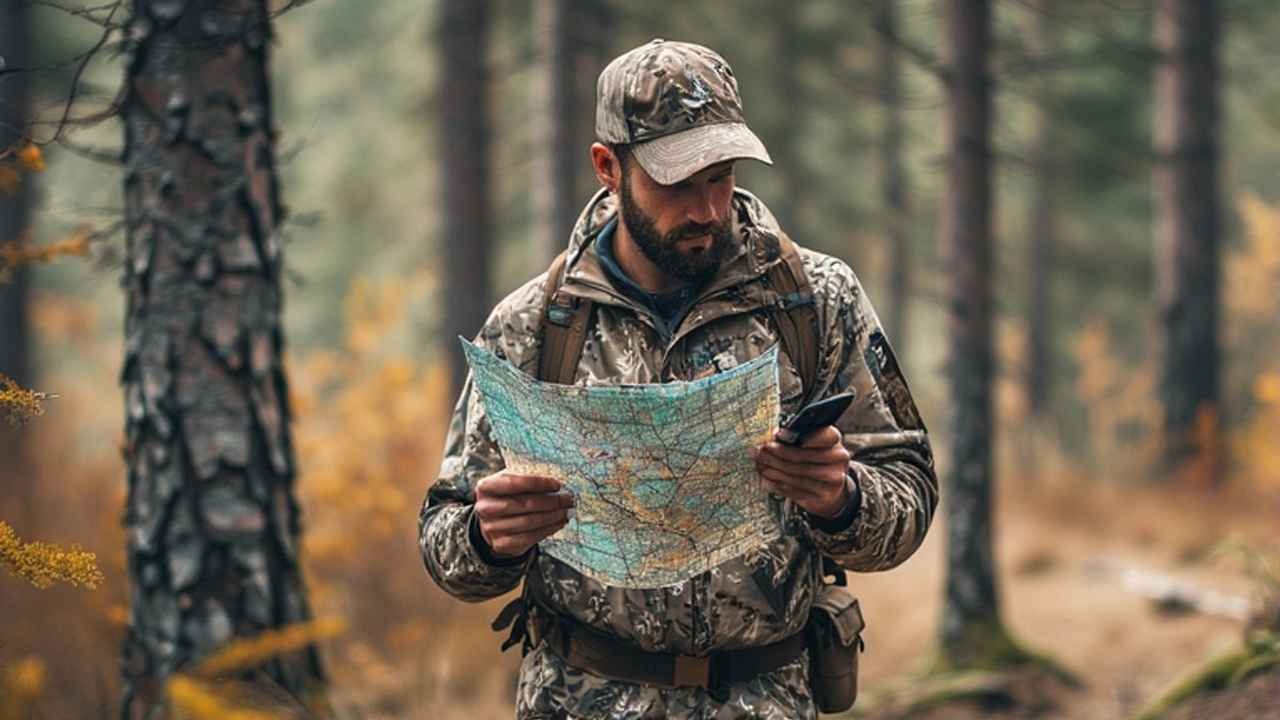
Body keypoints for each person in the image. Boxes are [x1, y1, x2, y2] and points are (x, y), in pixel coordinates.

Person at [419, 38, 938, 719]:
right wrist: (491, 537)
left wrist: (840, 499)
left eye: (719, 176)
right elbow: (445, 544)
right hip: (578, 701)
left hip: (768, 699)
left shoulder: (818, 300)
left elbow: (910, 495)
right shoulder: (535, 326)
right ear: (608, 166)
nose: (707, 210)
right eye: (677, 184)